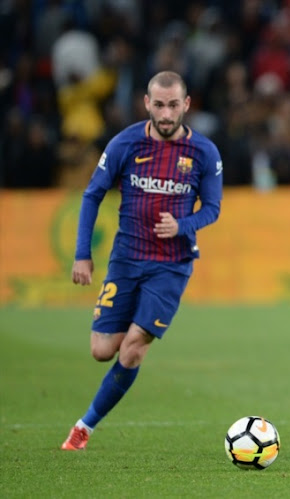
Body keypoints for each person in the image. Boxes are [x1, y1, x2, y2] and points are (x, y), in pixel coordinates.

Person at [61, 71, 223, 450]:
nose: (166, 114)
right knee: (103, 351)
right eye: (159, 105)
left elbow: (213, 208)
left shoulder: (204, 153)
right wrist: (82, 255)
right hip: (126, 259)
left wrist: (183, 225)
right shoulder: (125, 144)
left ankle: (84, 427)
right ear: (147, 103)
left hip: (171, 265)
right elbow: (91, 195)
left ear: (186, 105)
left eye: (173, 105)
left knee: (134, 346)